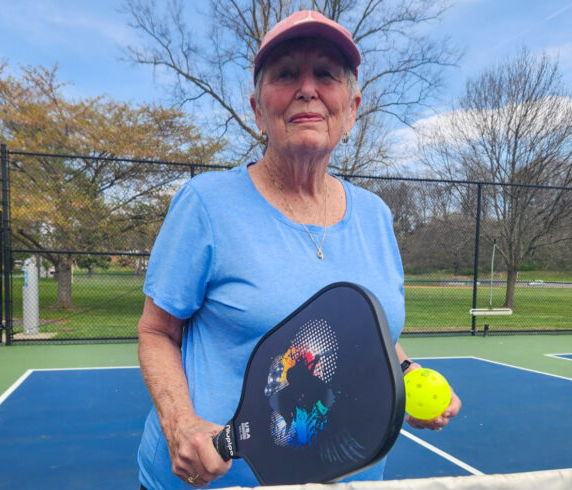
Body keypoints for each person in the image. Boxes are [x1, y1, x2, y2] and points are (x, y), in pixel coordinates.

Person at [137, 10, 461, 490]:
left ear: (352, 107)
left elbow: (366, 330)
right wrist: (180, 423)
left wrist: (406, 373)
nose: (307, 88)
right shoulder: (206, 204)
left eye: (326, 74)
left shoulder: (376, 216)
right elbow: (157, 332)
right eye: (287, 74)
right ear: (256, 108)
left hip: (350, 476)